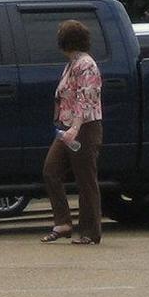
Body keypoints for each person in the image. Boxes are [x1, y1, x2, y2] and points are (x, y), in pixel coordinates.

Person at [42, 18, 104, 244]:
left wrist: (75, 127)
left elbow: (86, 99)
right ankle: (63, 221)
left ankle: (90, 231)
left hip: (84, 129)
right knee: (51, 170)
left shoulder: (86, 65)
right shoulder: (71, 64)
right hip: (66, 128)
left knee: (85, 179)